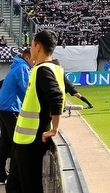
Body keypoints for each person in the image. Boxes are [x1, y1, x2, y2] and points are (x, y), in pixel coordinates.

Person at [7, 29, 64, 193]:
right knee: (14, 185)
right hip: (22, 140)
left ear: (38, 47)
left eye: (32, 45)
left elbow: (56, 97)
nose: (30, 50)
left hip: (31, 141)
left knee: (30, 187)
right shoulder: (51, 68)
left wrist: (55, 129)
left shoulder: (43, 70)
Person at [0, 46, 32, 185]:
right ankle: (15, 177)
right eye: (35, 59)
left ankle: (2, 175)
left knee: (5, 144)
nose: (36, 62)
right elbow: (26, 90)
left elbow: (21, 91)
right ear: (27, 58)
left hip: (5, 108)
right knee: (16, 143)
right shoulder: (22, 68)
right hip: (9, 108)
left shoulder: (17, 67)